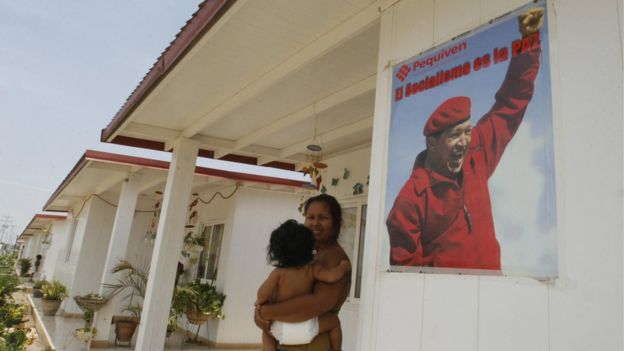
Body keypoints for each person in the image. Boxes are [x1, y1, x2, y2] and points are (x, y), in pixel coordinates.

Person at [386, 8, 545, 270]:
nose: (464, 142)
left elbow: (510, 103)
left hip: (493, 289)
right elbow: (406, 275)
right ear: (432, 143)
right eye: (454, 135)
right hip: (448, 303)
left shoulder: (476, 155)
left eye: (468, 131)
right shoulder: (410, 201)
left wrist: (528, 41)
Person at [255, 194, 351, 351]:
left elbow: (316, 305)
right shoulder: (305, 259)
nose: (315, 223)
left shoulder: (333, 256)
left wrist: (265, 311)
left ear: (336, 222)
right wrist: (259, 314)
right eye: (310, 217)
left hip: (312, 344)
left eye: (323, 217)